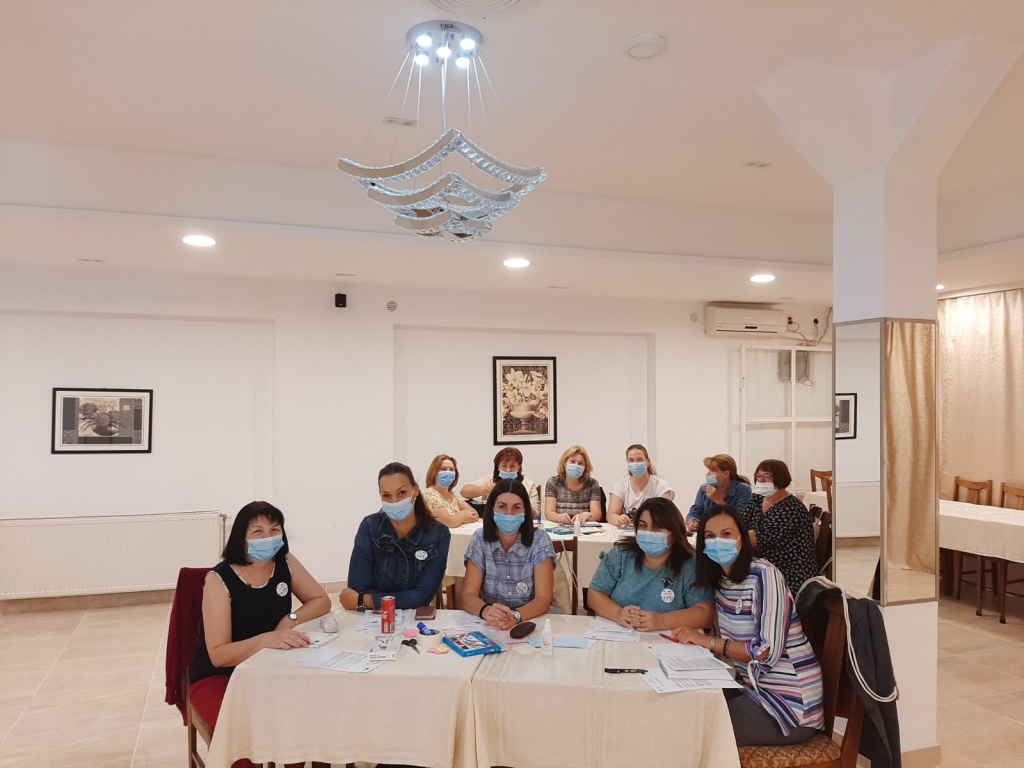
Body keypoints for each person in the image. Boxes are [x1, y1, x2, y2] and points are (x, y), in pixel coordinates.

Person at [189, 501, 331, 768]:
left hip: (269, 669)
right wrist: (266, 639)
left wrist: (290, 619)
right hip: (220, 676)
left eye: (275, 530)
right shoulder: (219, 579)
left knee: (299, 724)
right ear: (241, 538)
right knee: (244, 737)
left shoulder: (284, 562)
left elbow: (321, 600)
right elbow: (218, 655)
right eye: (258, 532)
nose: (268, 538)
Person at [675, 504, 824, 747]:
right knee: (681, 705)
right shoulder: (721, 581)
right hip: (751, 689)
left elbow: (765, 653)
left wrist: (706, 641)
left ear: (742, 539)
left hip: (788, 705)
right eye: (710, 536)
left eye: (726, 534)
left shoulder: (764, 575)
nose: (718, 541)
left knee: (692, 730)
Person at [587, 498, 714, 632]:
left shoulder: (690, 564)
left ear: (674, 532)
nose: (648, 532)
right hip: (621, 634)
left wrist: (662, 620)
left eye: (657, 527)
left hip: (667, 640)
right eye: (643, 525)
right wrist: (618, 614)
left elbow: (706, 614)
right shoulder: (621, 554)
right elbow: (595, 594)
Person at [341, 462, 452, 610]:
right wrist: (404, 599)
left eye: (402, 493)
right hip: (372, 618)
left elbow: (423, 596)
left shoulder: (438, 534)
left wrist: (365, 600)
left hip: (413, 619)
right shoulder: (370, 527)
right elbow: (358, 587)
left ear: (415, 490)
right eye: (386, 495)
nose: (394, 501)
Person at [460, 479, 556, 630]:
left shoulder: (540, 540)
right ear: (492, 509)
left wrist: (515, 616)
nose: (509, 514)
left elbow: (543, 599)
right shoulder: (480, 538)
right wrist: (486, 610)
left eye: (516, 507)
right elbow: (468, 595)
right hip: (492, 622)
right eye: (502, 506)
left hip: (528, 621)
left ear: (525, 511)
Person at [742, 458, 818, 596]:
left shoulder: (790, 508)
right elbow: (739, 523)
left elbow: (755, 539)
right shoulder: (757, 500)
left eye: (767, 476)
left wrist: (725, 535)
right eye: (758, 476)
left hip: (789, 572)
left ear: (780, 478)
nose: (761, 480)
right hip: (764, 566)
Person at [461, 446, 542, 518]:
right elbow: (464, 491)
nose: (508, 470)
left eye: (512, 466)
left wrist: (521, 504)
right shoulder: (490, 479)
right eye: (504, 466)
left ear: (519, 467)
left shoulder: (528, 484)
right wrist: (484, 491)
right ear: (497, 467)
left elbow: (536, 513)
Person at [606, 443, 675, 527]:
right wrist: (618, 519)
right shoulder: (621, 485)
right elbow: (610, 515)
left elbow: (665, 514)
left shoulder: (660, 485)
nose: (635, 463)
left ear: (648, 462)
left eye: (639, 459)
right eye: (631, 460)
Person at [686, 454, 752, 533]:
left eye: (712, 470)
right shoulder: (704, 488)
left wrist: (719, 500)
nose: (708, 474)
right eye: (708, 470)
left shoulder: (743, 489)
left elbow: (741, 519)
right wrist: (692, 521)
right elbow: (695, 510)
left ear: (726, 474)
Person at [544, 444, 603, 523]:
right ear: (564, 463)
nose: (576, 465)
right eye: (572, 461)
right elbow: (549, 512)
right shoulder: (553, 482)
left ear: (585, 467)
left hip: (583, 527)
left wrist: (588, 515)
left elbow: (597, 514)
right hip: (560, 527)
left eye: (580, 463)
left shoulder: (592, 484)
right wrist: (558, 517)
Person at [422, 453, 479, 528]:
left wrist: (456, 519)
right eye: (443, 469)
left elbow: (475, 514)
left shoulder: (453, 494)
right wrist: (463, 514)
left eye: (451, 469)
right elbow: (449, 522)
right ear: (434, 473)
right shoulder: (429, 494)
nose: (448, 472)